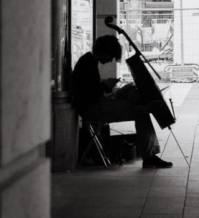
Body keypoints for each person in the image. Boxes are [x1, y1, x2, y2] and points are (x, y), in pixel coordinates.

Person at [72, 35, 172, 169]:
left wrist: (105, 85)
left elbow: (89, 89)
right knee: (141, 112)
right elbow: (87, 94)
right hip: (94, 109)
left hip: (97, 103)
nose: (110, 61)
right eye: (111, 56)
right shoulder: (87, 63)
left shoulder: (88, 60)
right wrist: (105, 86)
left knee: (131, 88)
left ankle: (140, 102)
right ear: (104, 51)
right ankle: (149, 157)